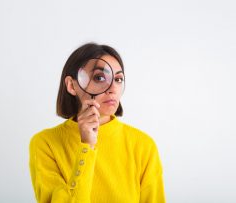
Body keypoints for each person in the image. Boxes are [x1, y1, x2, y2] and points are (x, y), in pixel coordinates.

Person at [29, 42, 166, 203]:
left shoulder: (143, 145)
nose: (113, 88)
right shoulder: (45, 144)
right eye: (100, 77)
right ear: (72, 85)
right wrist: (86, 146)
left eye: (119, 79)